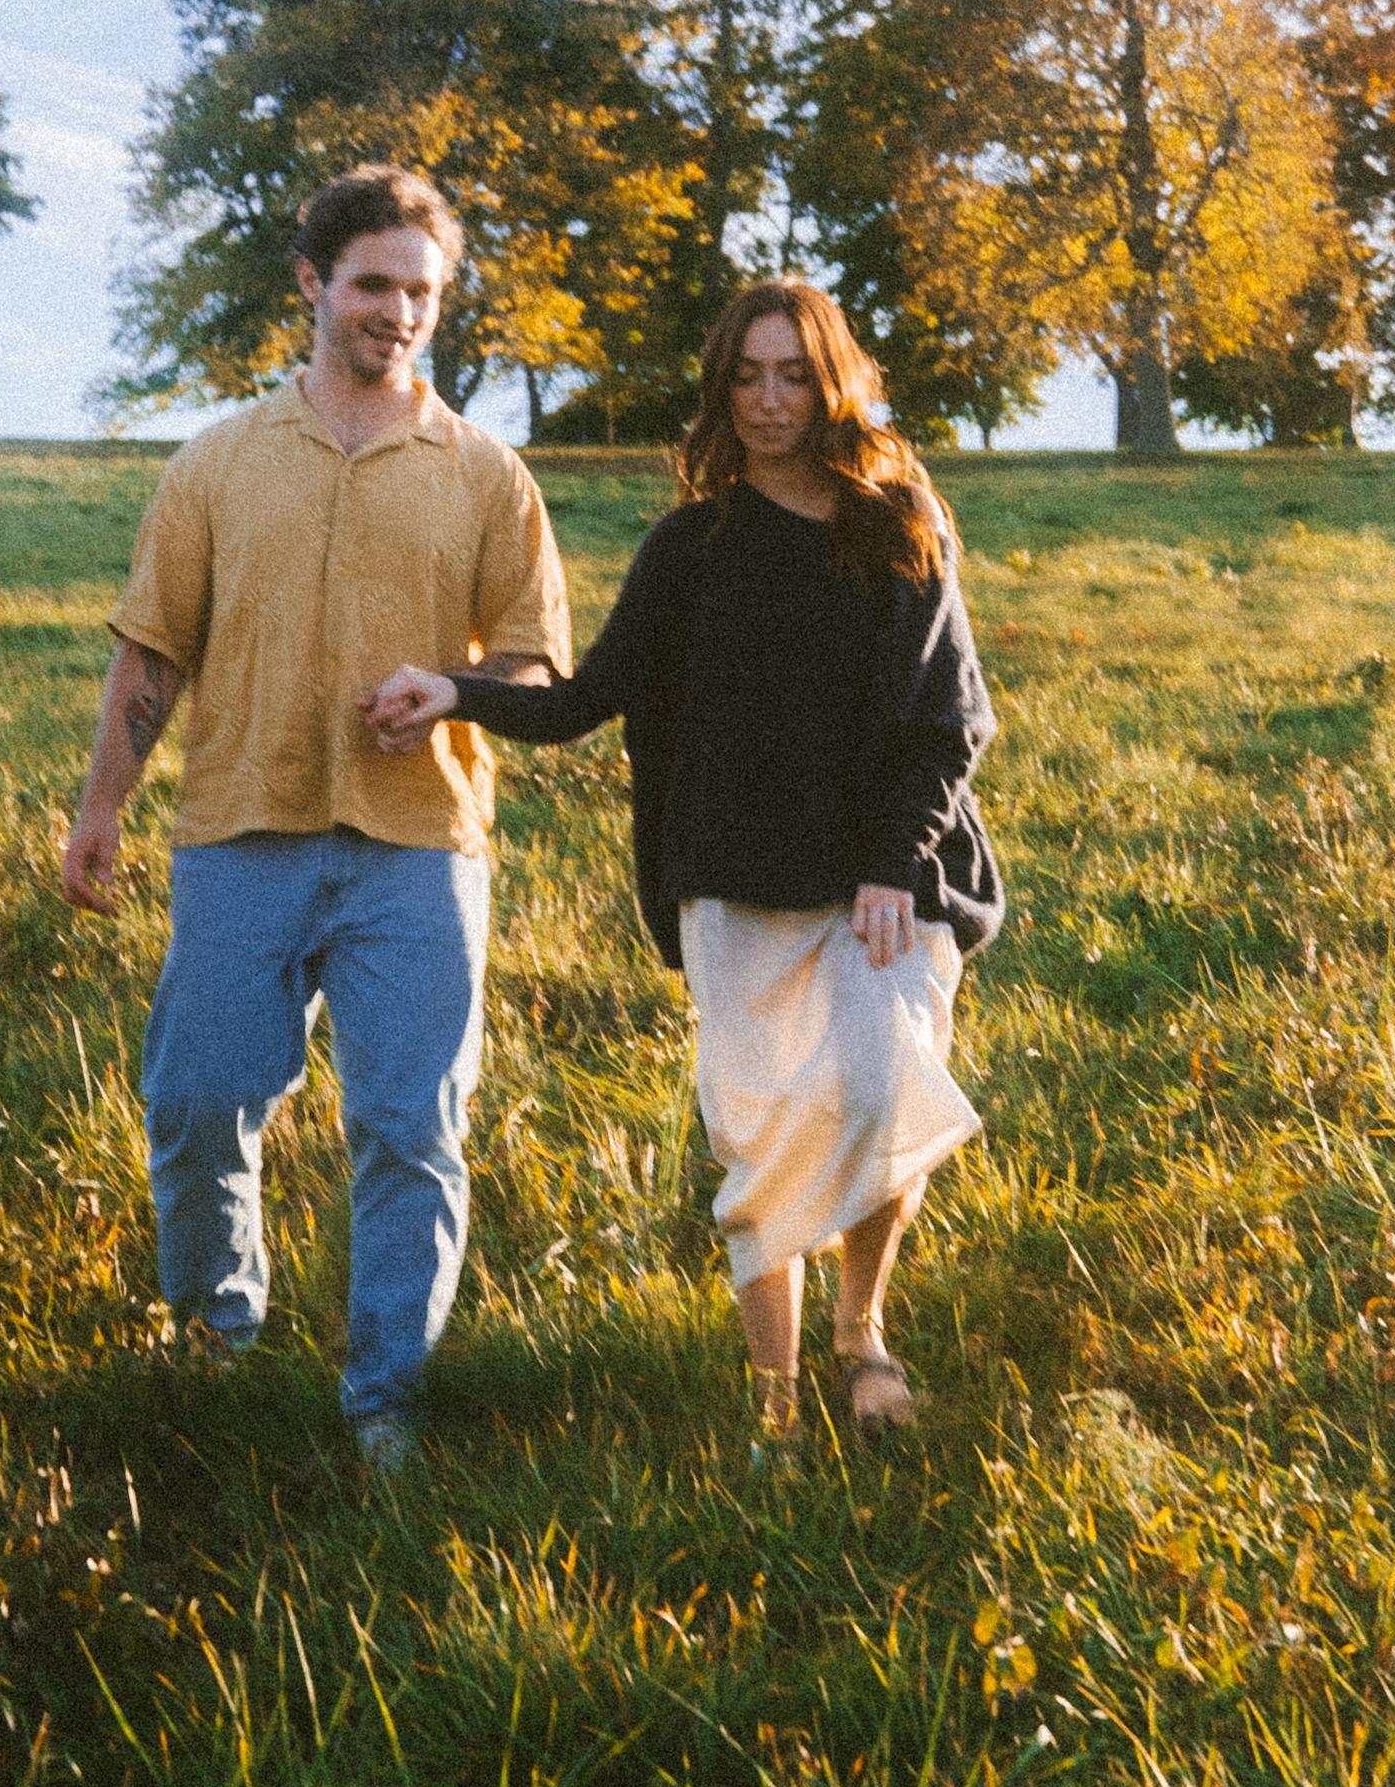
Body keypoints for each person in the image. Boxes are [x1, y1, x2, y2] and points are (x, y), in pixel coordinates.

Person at [367, 273, 1001, 1446]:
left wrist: (890, 864)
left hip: (883, 882)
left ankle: (861, 1332)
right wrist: (455, 691)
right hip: (731, 879)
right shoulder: (689, 548)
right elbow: (590, 697)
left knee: (880, 1095)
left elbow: (950, 721)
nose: (770, 400)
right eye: (747, 377)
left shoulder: (900, 526)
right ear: (720, 390)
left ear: (833, 383)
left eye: (795, 375)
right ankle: (776, 1407)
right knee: (757, 1140)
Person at [59, 164, 574, 1474]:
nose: (398, 313)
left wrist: (453, 690)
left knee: (411, 1131)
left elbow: (536, 670)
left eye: (422, 292)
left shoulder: (488, 475)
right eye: (372, 285)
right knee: (196, 1104)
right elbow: (152, 651)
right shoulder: (218, 463)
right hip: (242, 832)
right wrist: (103, 807)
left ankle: (384, 1399)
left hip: (420, 848)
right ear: (312, 283)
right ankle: (214, 1342)